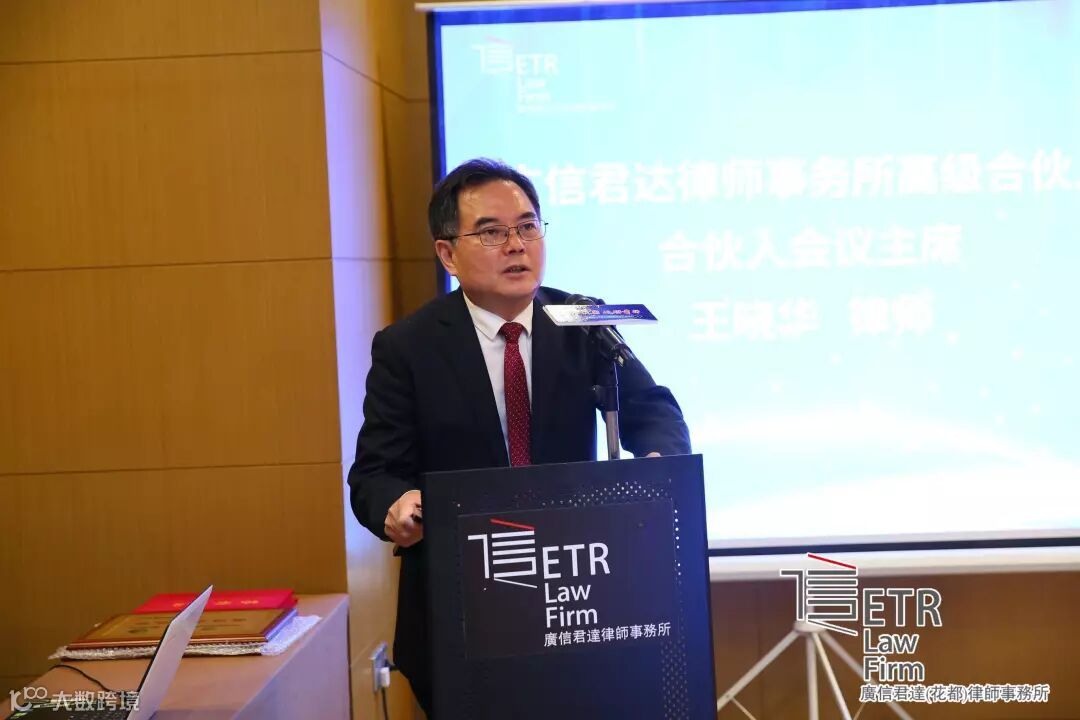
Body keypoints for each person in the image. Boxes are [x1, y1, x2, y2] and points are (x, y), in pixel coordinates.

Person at [347, 157, 690, 716]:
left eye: (528, 226)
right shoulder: (408, 348)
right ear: (447, 254)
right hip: (463, 608)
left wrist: (655, 463)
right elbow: (374, 474)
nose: (516, 245)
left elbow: (654, 410)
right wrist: (397, 503)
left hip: (577, 593)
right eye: (491, 232)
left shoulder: (583, 321)